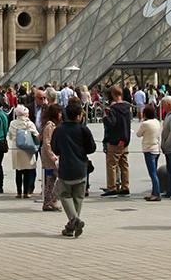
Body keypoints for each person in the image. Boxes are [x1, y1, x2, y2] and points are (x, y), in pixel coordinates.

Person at [51, 99, 96, 238]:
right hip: (81, 167)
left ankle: (73, 222)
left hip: (66, 167)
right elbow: (92, 148)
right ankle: (74, 222)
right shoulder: (83, 129)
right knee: (78, 197)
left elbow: (55, 149)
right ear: (78, 116)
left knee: (64, 195)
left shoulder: (59, 129)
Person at [102, 88, 132, 197]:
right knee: (124, 165)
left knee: (112, 165)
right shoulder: (127, 108)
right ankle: (125, 186)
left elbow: (112, 123)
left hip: (114, 141)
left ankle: (112, 187)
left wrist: (105, 117)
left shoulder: (113, 109)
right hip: (125, 140)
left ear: (114, 95)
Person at [7, 104, 39, 199]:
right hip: (27, 149)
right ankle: (26, 192)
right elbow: (36, 135)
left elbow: (11, 136)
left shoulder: (13, 123)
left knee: (18, 171)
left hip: (17, 149)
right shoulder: (29, 124)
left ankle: (18, 192)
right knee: (27, 172)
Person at [138, 104, 162, 201]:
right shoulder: (157, 122)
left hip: (148, 149)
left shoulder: (145, 124)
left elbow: (138, 134)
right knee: (154, 171)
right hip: (156, 148)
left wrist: (143, 122)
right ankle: (154, 192)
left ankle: (156, 193)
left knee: (152, 173)